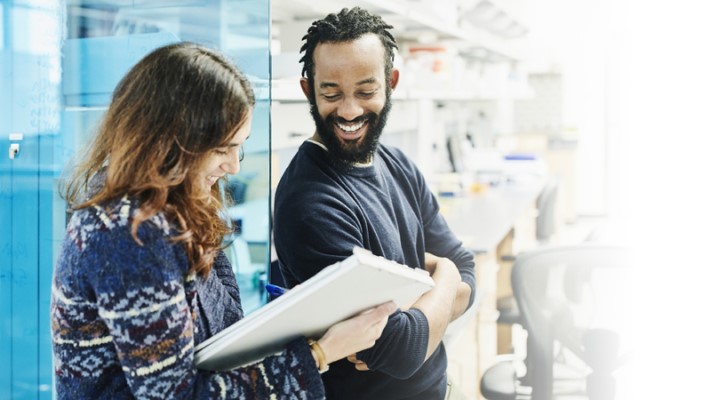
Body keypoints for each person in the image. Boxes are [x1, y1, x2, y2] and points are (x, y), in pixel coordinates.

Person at [50, 41, 396, 399]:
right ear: (167, 143)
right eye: (221, 149)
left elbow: (216, 336)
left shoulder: (174, 207)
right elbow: (174, 395)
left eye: (238, 146)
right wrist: (320, 353)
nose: (233, 166)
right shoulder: (126, 234)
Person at [273, 7, 476, 400]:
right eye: (331, 93)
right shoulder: (310, 201)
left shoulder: (398, 163)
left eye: (365, 92)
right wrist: (445, 278)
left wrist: (428, 309)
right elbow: (402, 350)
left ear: (391, 82)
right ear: (307, 90)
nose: (349, 111)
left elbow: (470, 274)